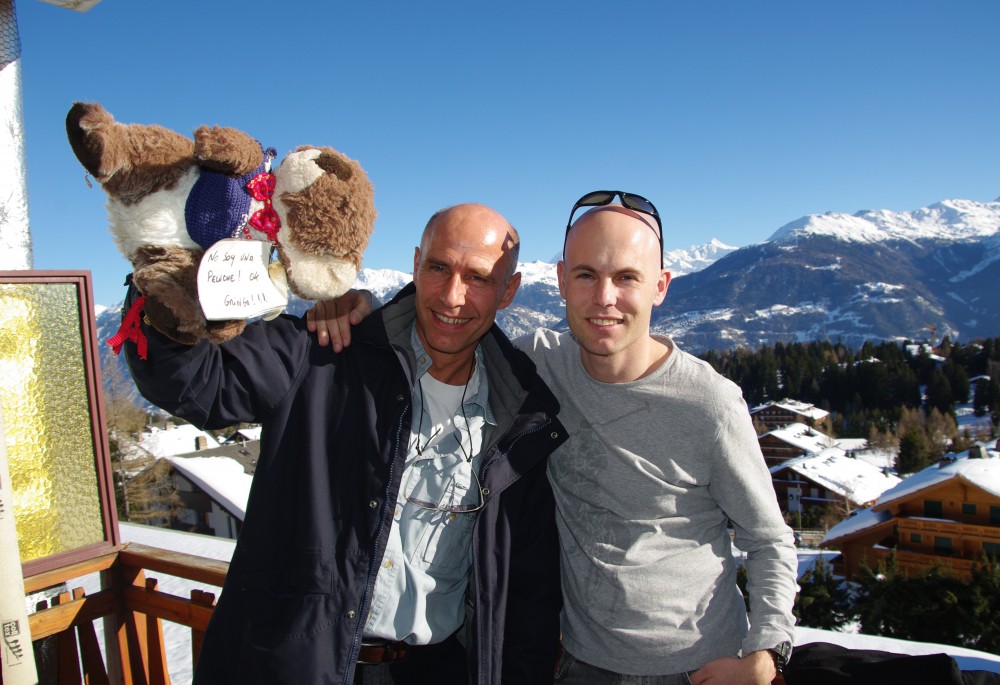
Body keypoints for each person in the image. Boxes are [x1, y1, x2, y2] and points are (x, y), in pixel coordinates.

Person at [310, 191, 799, 685]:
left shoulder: (708, 403)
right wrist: (358, 307)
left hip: (695, 667)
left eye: (626, 277)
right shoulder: (535, 367)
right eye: (586, 275)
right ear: (562, 280)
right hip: (573, 664)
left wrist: (767, 652)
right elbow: (447, 328)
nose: (604, 298)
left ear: (661, 286)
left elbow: (768, 538)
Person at [124, 203, 568, 685]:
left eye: (478, 278)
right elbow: (190, 381)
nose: (452, 296)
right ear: (416, 263)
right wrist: (174, 264)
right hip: (293, 667)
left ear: (509, 292)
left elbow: (528, 595)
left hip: (433, 670)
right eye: (439, 267)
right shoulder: (323, 353)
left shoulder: (520, 417)